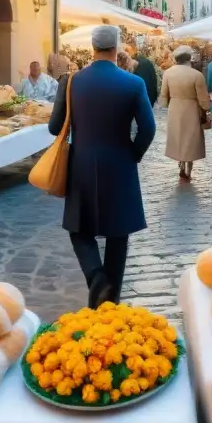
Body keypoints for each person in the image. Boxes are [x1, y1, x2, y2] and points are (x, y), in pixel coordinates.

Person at [48, 25, 156, 308]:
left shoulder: (71, 81)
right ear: (116, 48)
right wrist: (133, 153)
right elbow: (148, 128)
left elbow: (54, 127)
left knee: (79, 228)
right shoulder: (133, 83)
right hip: (120, 162)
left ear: (92, 48)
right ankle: (112, 298)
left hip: (82, 161)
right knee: (118, 232)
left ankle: (96, 277)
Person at [160, 45, 211, 181]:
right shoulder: (196, 75)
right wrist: (206, 108)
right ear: (189, 59)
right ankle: (188, 165)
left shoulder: (168, 73)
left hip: (175, 108)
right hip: (191, 108)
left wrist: (166, 103)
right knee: (191, 137)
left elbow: (164, 95)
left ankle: (181, 162)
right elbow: (203, 98)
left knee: (178, 135)